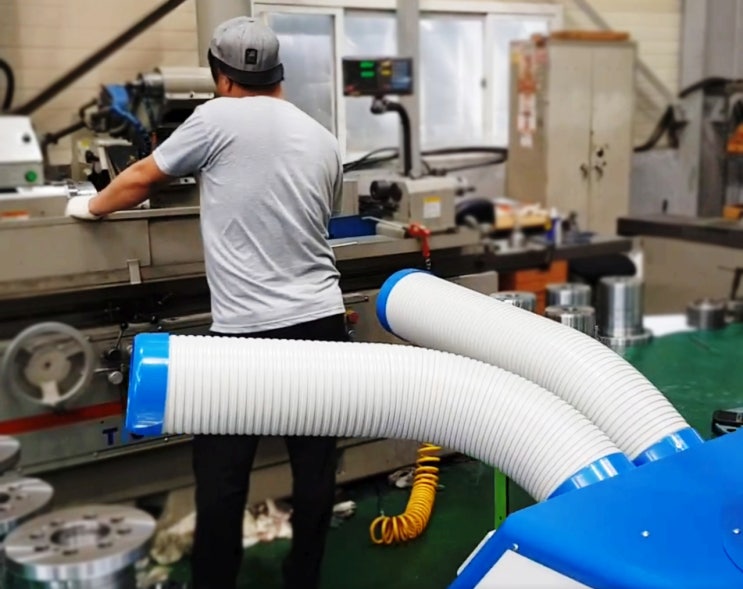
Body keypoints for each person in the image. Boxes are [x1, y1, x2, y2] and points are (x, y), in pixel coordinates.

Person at [66, 17, 346, 589]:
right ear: (279, 75)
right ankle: (304, 578)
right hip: (322, 321)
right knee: (315, 469)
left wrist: (87, 208)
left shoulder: (215, 118)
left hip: (244, 334)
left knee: (222, 477)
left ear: (222, 78)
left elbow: (142, 178)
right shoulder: (322, 136)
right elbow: (321, 216)